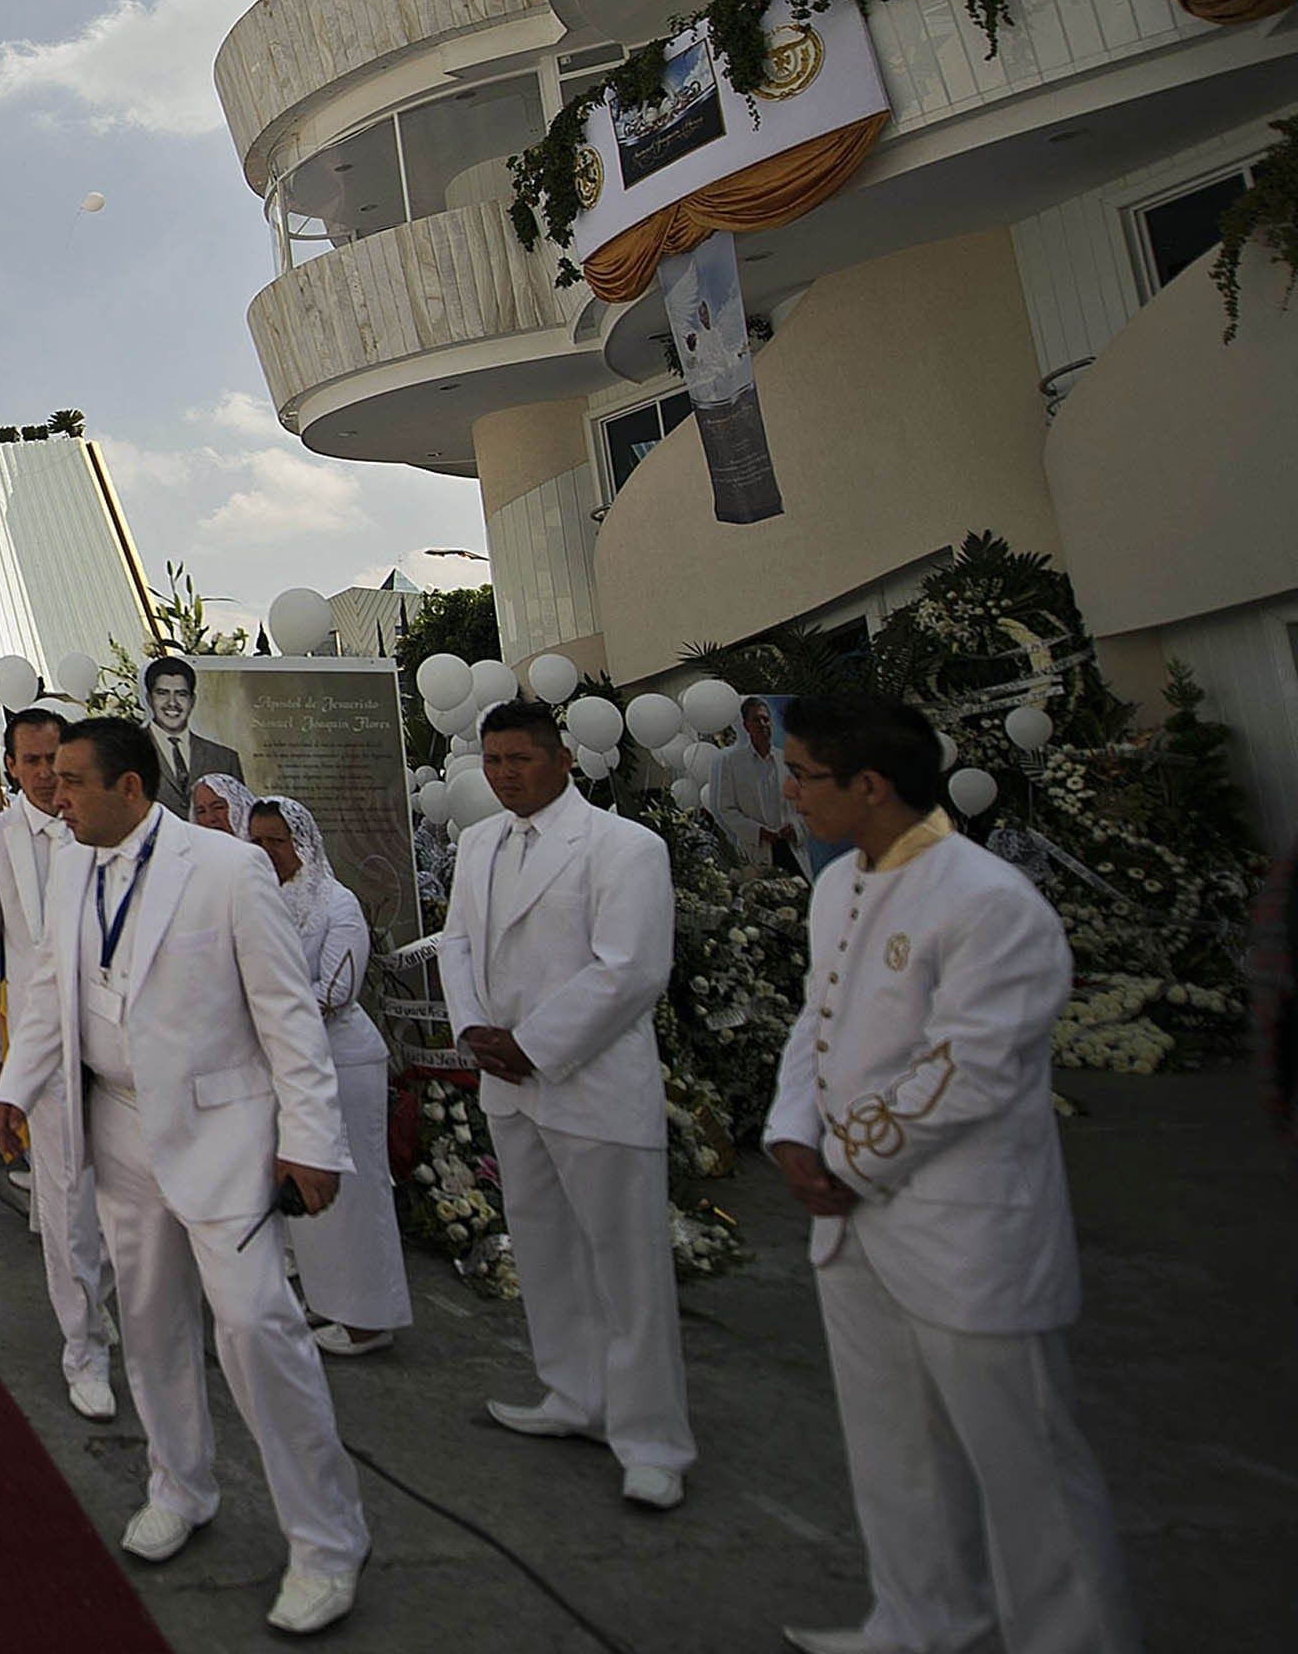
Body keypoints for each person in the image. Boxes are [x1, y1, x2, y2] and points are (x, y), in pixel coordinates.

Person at [766, 694, 1138, 1654]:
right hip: (851, 1220)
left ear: (870, 786)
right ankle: (925, 1619)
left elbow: (968, 1066)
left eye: (804, 774)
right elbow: (820, 1017)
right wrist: (793, 1135)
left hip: (966, 1227)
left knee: (1027, 1471)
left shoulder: (987, 900)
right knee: (895, 1448)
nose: (789, 791)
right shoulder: (838, 883)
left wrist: (845, 1159)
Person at [0, 717, 365, 1636]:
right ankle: (180, 1483)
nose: (55, 796)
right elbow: (50, 989)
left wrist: (311, 1139)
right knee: (149, 1323)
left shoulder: (227, 870)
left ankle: (325, 1540)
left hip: (223, 1129)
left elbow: (287, 1015)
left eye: (73, 781)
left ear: (130, 788)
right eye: (52, 779)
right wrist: (17, 1084)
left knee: (256, 1329)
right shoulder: (72, 863)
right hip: (115, 1127)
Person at [438, 698, 693, 1510]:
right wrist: (475, 1025)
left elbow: (631, 969)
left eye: (520, 758)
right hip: (508, 1084)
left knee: (627, 1265)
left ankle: (653, 1437)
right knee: (545, 1252)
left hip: (591, 1080)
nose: (505, 774)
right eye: (494, 760)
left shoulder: (623, 846)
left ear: (561, 760)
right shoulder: (477, 841)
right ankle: (574, 1395)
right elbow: (457, 941)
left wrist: (534, 1043)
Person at [0, 708, 117, 1422]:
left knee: (124, 1205)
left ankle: (110, 1309)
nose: (46, 773)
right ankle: (83, 1348)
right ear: (11, 766)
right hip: (36, 1043)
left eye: (56, 758)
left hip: (118, 1042)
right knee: (60, 1203)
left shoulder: (102, 828)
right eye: (31, 761)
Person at [247, 798, 410, 1356]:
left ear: (304, 842)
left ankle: (369, 1319)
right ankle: (331, 1304)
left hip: (343, 1061)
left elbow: (337, 992)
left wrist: (261, 1010)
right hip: (290, 1065)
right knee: (311, 1200)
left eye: (277, 841)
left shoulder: (336, 904)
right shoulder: (260, 899)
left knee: (356, 1193)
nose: (266, 852)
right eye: (258, 840)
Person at [138, 658, 242, 823]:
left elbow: (240, 820)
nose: (172, 703)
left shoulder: (224, 759)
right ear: (149, 699)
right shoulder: (125, 752)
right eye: (162, 693)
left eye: (181, 694)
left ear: (192, 701)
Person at [707, 697, 800, 877]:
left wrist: (794, 827)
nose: (763, 724)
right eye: (757, 720)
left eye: (766, 719)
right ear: (746, 725)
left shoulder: (786, 759)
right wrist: (758, 832)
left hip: (789, 847)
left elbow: (801, 801)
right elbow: (725, 808)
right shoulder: (732, 763)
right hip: (756, 848)